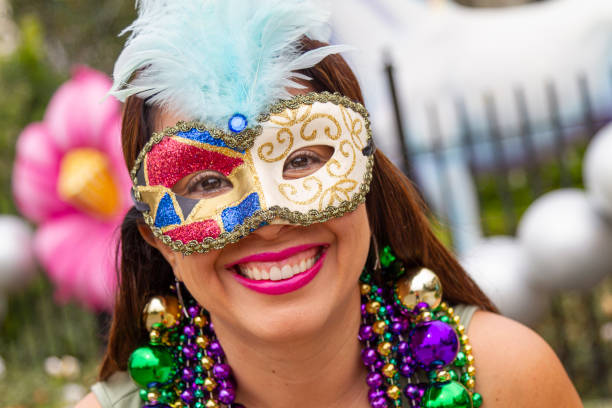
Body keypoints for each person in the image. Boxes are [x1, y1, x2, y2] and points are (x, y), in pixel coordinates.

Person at [77, 1, 582, 407]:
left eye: (299, 160)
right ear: (158, 238)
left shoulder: (508, 378)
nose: (269, 219)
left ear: (365, 178)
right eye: (208, 182)